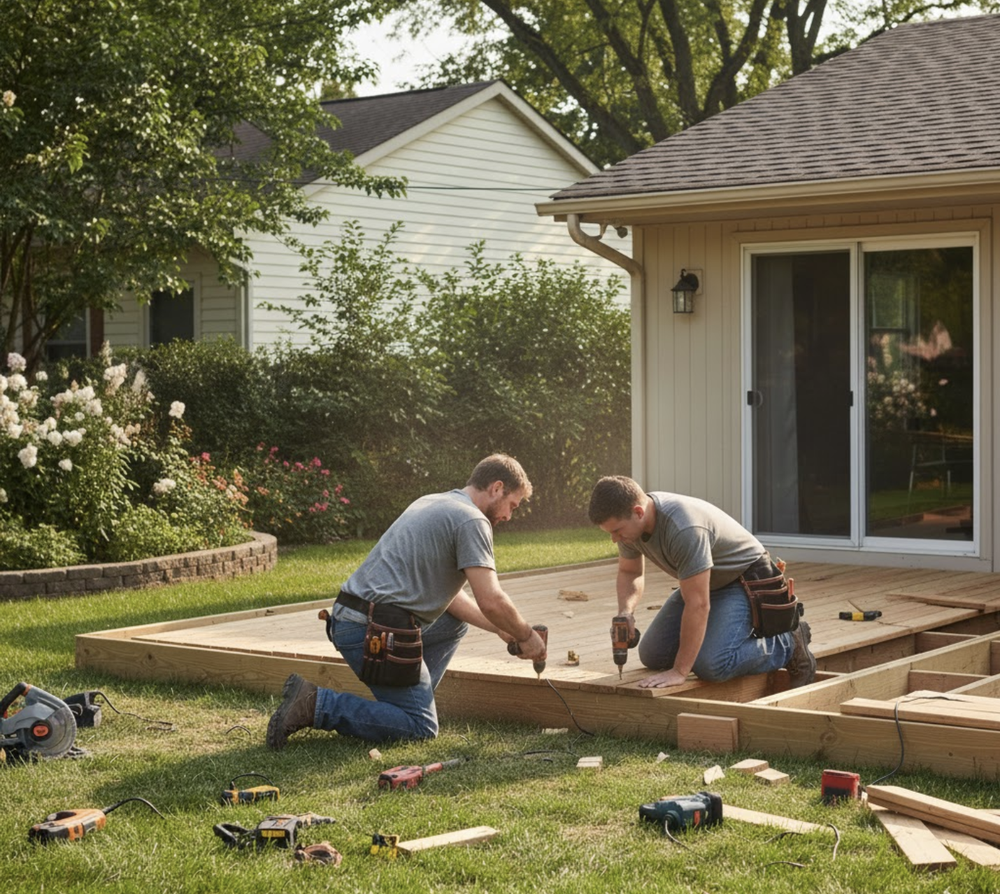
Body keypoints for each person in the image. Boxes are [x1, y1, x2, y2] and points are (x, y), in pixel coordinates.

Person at [267, 454, 547, 748]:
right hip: (372, 629)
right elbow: (491, 600)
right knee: (420, 727)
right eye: (512, 505)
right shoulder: (472, 520)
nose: (508, 516)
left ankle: (408, 700)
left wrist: (500, 629)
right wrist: (526, 635)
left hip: (354, 618)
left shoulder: (436, 502)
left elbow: (451, 601)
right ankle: (316, 704)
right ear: (496, 487)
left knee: (454, 624)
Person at [587, 475, 815, 690]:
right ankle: (716, 637)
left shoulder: (684, 528)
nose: (614, 539)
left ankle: (788, 642)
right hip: (705, 582)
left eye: (617, 531)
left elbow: (698, 605)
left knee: (712, 664)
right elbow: (630, 572)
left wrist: (679, 671)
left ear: (638, 512)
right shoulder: (631, 528)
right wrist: (626, 612)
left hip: (743, 581)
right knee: (653, 654)